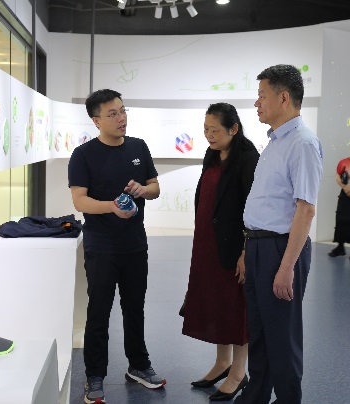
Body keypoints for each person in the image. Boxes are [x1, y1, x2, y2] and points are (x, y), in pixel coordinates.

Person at [68, 89, 165, 404]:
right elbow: (80, 200)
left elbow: (155, 187)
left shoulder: (139, 147)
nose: (121, 118)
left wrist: (142, 190)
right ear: (96, 120)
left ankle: (138, 365)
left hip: (135, 244)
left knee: (135, 308)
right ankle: (95, 375)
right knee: (98, 312)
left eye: (123, 111)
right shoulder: (83, 155)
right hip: (101, 246)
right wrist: (111, 207)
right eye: (112, 114)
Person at [234, 65, 323, 404]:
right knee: (260, 333)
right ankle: (256, 396)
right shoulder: (275, 142)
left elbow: (305, 209)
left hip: (282, 250)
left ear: (284, 98)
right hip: (259, 246)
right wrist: (248, 249)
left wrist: (286, 268)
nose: (257, 103)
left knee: (282, 338)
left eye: (262, 96)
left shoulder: (302, 143)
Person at [182, 103, 259, 402]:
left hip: (233, 246)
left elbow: (253, 208)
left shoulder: (248, 158)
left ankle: (239, 372)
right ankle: (222, 362)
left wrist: (246, 250)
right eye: (206, 130)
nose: (209, 135)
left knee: (236, 307)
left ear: (234, 129)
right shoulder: (212, 154)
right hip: (207, 243)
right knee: (216, 304)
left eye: (214, 130)